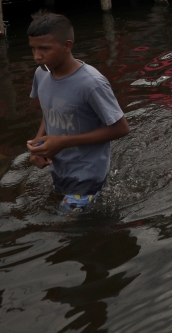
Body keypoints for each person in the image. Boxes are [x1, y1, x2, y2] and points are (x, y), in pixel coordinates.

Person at [26, 11, 130, 211]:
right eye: (33, 49)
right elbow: (50, 111)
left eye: (44, 49)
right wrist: (38, 145)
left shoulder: (91, 83)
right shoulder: (41, 74)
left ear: (67, 46)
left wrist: (63, 141)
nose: (37, 56)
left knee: (62, 232)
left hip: (87, 175)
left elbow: (121, 128)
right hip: (60, 167)